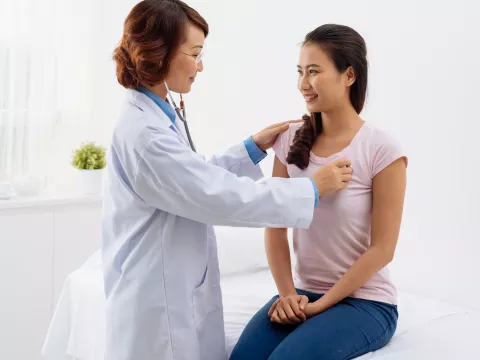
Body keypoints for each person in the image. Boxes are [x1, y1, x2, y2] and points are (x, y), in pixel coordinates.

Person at [101, 2, 353, 360]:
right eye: (195, 53)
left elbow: (192, 176)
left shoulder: (156, 115)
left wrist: (251, 149)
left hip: (172, 286)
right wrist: (311, 189)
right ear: (160, 53)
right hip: (157, 303)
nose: (200, 65)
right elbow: (217, 196)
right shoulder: (144, 134)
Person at [230, 24, 408, 360]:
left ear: (349, 75)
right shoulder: (289, 139)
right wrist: (286, 296)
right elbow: (275, 226)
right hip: (299, 293)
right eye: (299, 72)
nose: (303, 84)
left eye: (314, 71)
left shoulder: (381, 148)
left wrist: (321, 305)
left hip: (365, 302)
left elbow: (383, 249)